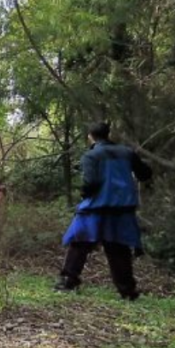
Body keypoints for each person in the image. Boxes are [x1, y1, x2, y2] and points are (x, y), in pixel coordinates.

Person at [55, 123, 153, 300]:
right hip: (122, 209)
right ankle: (128, 291)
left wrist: (84, 194)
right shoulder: (127, 152)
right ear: (108, 134)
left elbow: (90, 183)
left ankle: (68, 281)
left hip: (96, 208)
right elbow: (145, 174)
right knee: (119, 249)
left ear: (90, 136)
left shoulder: (91, 155)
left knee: (79, 242)